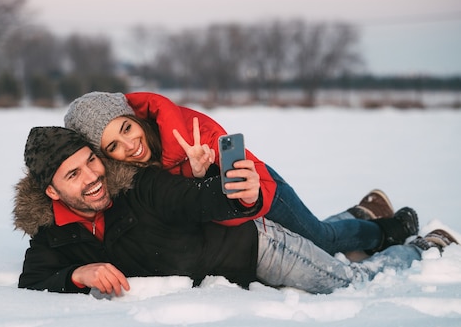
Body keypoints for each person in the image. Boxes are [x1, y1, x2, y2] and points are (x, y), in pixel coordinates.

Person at [13, 126, 457, 296]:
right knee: (325, 239)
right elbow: (31, 280)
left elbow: (193, 199)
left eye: (91, 160)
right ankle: (358, 215)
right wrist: (78, 275)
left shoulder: (137, 185)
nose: (92, 176)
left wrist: (234, 193)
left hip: (259, 248)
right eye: (74, 175)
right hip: (233, 270)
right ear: (52, 192)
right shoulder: (56, 235)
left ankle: (422, 247)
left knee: (353, 282)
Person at [63, 91, 414, 256]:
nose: (129, 146)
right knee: (310, 236)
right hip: (232, 220)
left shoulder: (187, 130)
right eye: (112, 147)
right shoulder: (124, 174)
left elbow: (235, 176)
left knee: (321, 240)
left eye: (125, 129)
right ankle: (361, 212)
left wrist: (202, 171)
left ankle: (386, 231)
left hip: (261, 191)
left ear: (134, 118)